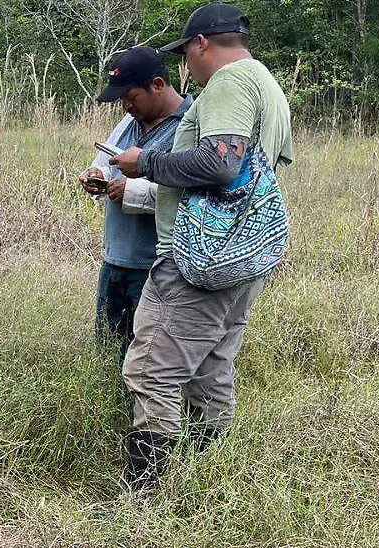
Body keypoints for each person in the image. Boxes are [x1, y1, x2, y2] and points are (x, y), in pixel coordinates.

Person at [109, 3, 294, 491]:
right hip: (244, 253)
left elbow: (221, 166)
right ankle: (207, 479)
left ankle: (146, 496)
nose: (186, 67)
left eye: (187, 54)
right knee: (211, 366)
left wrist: (146, 163)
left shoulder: (229, 84)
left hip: (200, 256)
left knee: (152, 370)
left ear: (202, 44)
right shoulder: (268, 85)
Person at [78, 46, 193, 361]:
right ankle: (113, 411)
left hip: (157, 268)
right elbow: (106, 160)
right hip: (115, 261)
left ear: (157, 85)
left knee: (150, 361)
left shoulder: (189, 126)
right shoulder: (130, 121)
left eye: (132, 97)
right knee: (110, 354)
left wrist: (132, 191)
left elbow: (190, 194)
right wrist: (97, 175)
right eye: (122, 100)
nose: (126, 106)